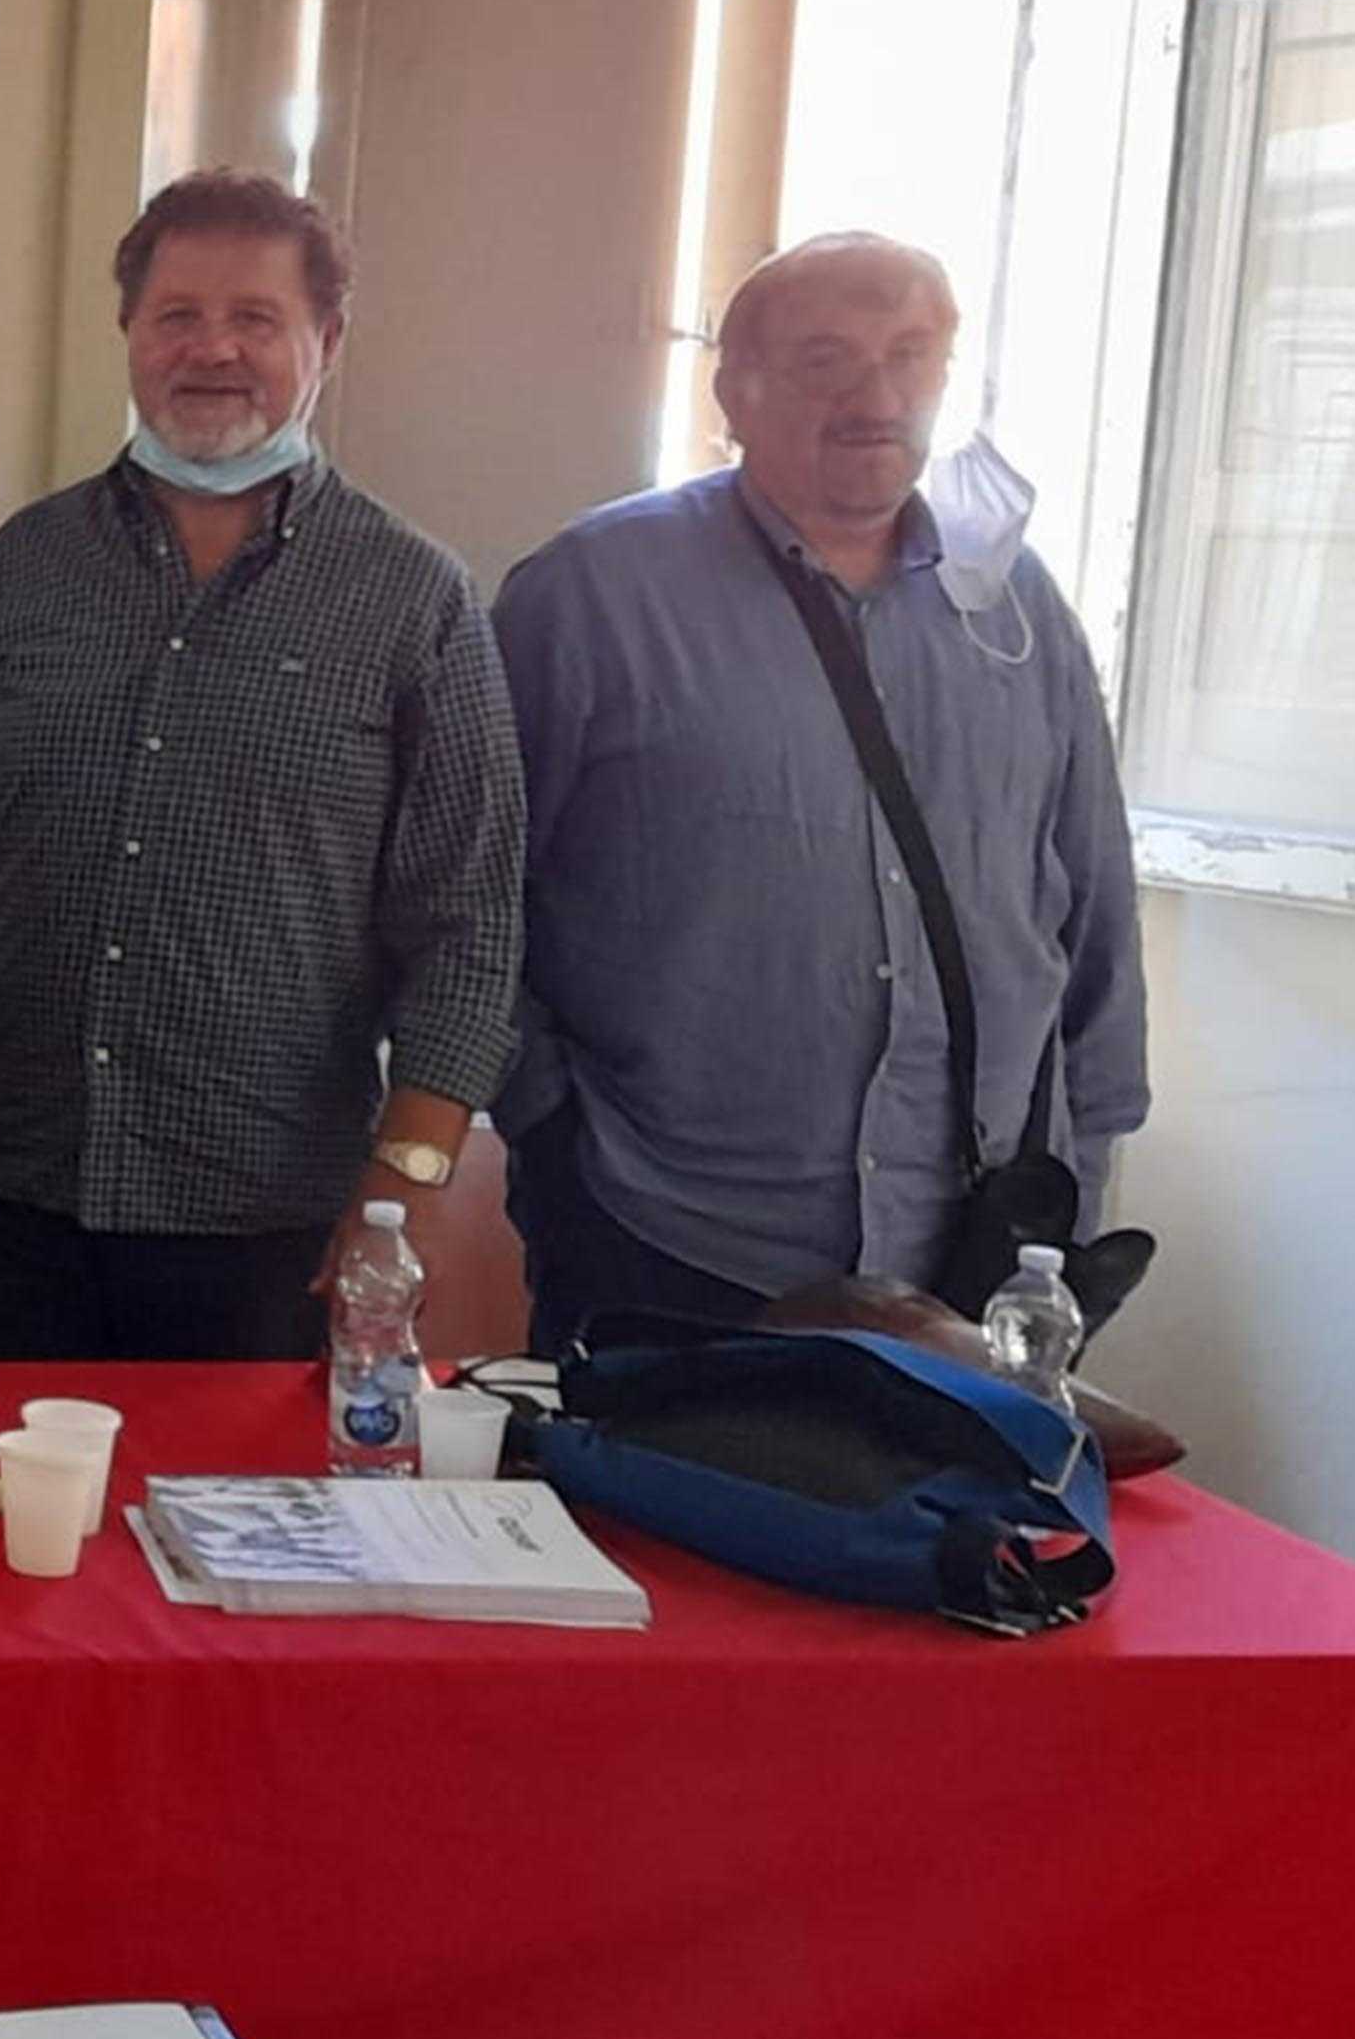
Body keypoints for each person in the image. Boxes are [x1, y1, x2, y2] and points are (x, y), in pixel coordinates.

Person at [0, 169, 524, 1360]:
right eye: (177, 315)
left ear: (325, 342)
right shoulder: (23, 567)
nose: (211, 350)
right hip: (9, 1192)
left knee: (235, 1494)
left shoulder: (414, 599)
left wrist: (403, 1191)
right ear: (128, 330)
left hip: (268, 1222)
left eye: (254, 319)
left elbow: (469, 930)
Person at [491, 231, 1147, 1352]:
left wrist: (1079, 1172)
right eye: (824, 360)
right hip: (671, 1240)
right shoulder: (590, 597)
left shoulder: (1020, 610)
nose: (875, 398)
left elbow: (1090, 904)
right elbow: (471, 896)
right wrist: (551, 1134)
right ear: (734, 391)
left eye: (910, 356)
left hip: (970, 1263)